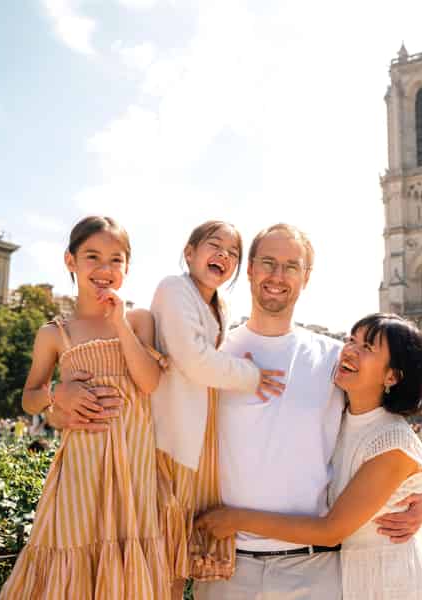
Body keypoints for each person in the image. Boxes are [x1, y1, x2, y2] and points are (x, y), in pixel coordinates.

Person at [189, 224, 422, 600]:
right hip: (225, 568)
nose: (277, 275)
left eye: (291, 266)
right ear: (250, 269)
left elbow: (383, 437)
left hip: (314, 572)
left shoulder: (336, 360)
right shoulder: (210, 355)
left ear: (306, 277)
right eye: (267, 262)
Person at [0, 216, 171, 598]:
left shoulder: (140, 320)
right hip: (81, 469)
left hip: (134, 470)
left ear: (127, 268)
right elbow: (29, 397)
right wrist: (56, 394)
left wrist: (120, 323)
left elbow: (150, 382)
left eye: (116, 259)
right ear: (70, 261)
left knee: (128, 567)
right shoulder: (54, 333)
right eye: (92, 256)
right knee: (74, 563)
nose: (104, 269)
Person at [149, 220, 285, 594]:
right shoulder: (174, 288)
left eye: (234, 253)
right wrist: (252, 375)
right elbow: (195, 360)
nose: (224, 255)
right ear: (189, 252)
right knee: (163, 558)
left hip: (201, 444)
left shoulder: (220, 303)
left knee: (181, 562)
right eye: (215, 245)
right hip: (171, 442)